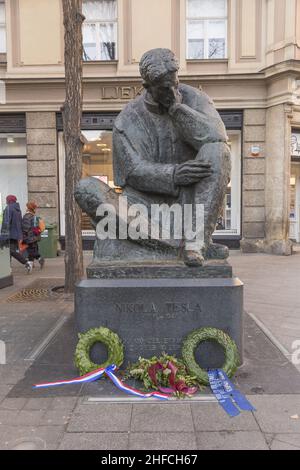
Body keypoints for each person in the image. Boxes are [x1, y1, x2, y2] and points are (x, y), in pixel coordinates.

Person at [76, 48, 231, 266]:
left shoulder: (195, 99)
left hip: (188, 203)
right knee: (85, 189)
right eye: (164, 87)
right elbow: (132, 171)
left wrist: (178, 109)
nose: (172, 89)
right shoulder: (128, 118)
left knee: (218, 151)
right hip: (143, 206)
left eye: (174, 82)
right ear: (147, 87)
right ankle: (178, 246)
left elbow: (216, 136)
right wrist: (173, 175)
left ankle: (195, 243)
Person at [0, 195, 33, 273]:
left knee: (10, 251)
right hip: (16, 234)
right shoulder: (18, 209)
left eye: (6, 200)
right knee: (8, 252)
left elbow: (6, 223)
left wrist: (3, 236)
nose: (6, 201)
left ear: (9, 200)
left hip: (9, 235)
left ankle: (26, 263)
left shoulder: (9, 208)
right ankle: (7, 269)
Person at [22, 201, 45, 270]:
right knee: (32, 250)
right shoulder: (33, 215)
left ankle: (39, 259)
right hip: (35, 236)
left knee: (31, 251)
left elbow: (26, 228)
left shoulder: (27, 216)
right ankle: (31, 264)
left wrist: (23, 236)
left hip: (29, 237)